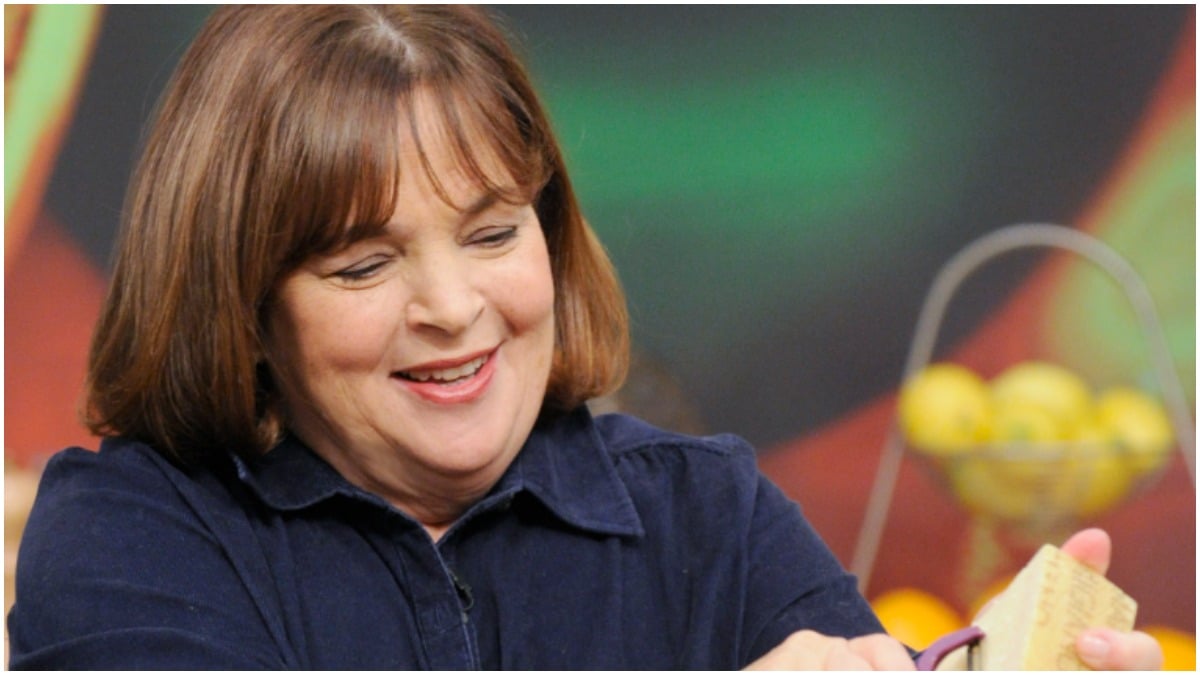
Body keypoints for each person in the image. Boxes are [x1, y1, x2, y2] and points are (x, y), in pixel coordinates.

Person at [6, 5, 1164, 670]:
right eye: (363, 263)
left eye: (492, 233)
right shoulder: (129, 535)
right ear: (243, 303)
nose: (453, 306)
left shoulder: (708, 515)